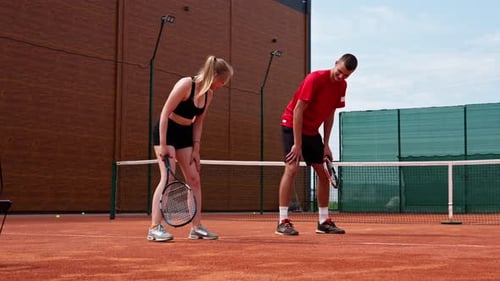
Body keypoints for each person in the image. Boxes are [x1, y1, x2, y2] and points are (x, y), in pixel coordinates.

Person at [148, 55, 233, 241]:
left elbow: (198, 122)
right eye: (223, 80)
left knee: (194, 179)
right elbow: (165, 113)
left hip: (185, 136)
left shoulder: (209, 94)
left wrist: (196, 149)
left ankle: (196, 227)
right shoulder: (186, 84)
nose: (223, 84)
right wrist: (162, 144)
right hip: (167, 131)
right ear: (215, 75)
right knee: (168, 177)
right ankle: (155, 227)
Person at [275, 53, 358, 236]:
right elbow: (298, 110)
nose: (341, 77)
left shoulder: (342, 86)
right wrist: (297, 145)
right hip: (292, 125)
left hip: (312, 132)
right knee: (292, 168)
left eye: (346, 75)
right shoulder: (315, 79)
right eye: (339, 72)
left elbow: (330, 114)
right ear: (335, 63)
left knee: (323, 174)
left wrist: (326, 143)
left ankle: (323, 221)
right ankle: (282, 221)